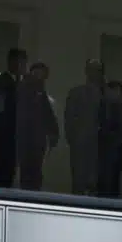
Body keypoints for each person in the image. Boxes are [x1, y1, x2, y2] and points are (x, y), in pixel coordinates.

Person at [0, 48, 27, 188]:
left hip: (22, 137)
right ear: (11, 61)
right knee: (1, 173)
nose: (21, 65)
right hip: (3, 136)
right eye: (18, 61)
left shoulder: (28, 84)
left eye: (23, 62)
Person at [64, 59, 105, 194]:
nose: (95, 73)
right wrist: (74, 139)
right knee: (79, 183)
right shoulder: (76, 93)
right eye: (92, 69)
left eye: (98, 70)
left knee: (97, 185)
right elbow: (69, 119)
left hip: (100, 147)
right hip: (80, 145)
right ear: (86, 72)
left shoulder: (106, 94)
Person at [19, 63, 59, 191]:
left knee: (34, 170)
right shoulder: (24, 89)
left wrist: (53, 132)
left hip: (37, 138)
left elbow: (48, 114)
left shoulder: (40, 91)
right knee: (28, 170)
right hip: (26, 137)